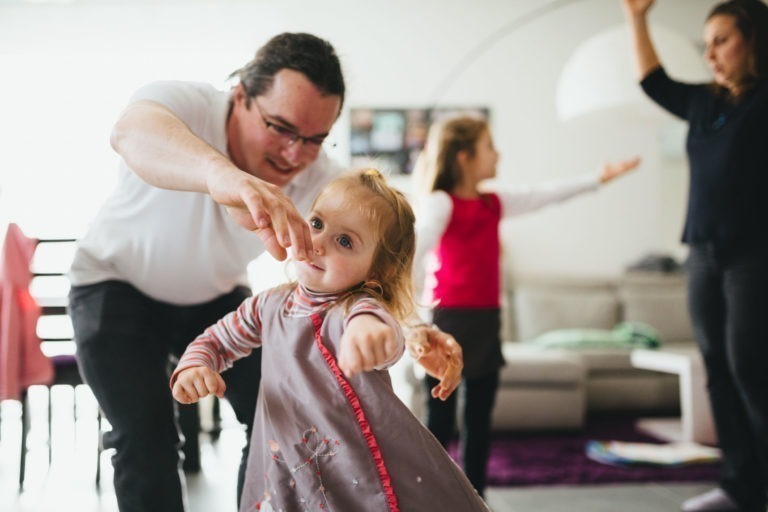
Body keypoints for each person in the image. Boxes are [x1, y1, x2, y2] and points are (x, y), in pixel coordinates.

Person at [67, 32, 461, 512]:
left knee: (276, 414)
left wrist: (414, 326)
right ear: (241, 97)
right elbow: (129, 132)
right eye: (281, 128)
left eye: (315, 139)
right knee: (145, 438)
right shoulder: (189, 104)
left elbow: (372, 260)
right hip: (114, 286)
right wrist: (227, 178)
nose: (295, 154)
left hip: (216, 295)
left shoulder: (319, 179)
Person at [171, 169, 489, 511]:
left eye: (345, 241)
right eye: (317, 224)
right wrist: (196, 365)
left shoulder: (357, 308)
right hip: (285, 464)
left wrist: (370, 335)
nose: (318, 243)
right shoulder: (268, 304)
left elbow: (379, 330)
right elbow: (216, 341)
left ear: (375, 272)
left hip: (350, 469)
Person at [411, 115, 640, 497]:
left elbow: (545, 194)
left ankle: (474, 497)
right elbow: (417, 250)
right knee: (440, 418)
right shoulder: (441, 203)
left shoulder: (494, 203)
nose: (497, 154)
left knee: (479, 420)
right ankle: (431, 497)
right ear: (465, 157)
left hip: (487, 322)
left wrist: (599, 178)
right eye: (489, 146)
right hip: (448, 322)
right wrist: (413, 317)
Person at [621, 1, 768, 511]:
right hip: (702, 252)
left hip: (754, 253)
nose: (711, 53)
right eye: (706, 43)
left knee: (751, 366)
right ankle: (740, 486)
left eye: (722, 40)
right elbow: (653, 81)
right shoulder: (705, 102)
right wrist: (636, 18)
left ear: (753, 40)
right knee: (718, 369)